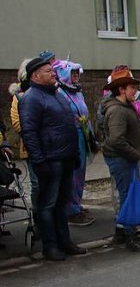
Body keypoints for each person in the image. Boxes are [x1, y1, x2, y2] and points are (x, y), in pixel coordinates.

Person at [18, 54, 87, 261]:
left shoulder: (57, 94)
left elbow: (68, 125)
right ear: (36, 76)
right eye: (48, 71)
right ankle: (50, 246)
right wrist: (39, 161)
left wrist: (74, 154)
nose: (53, 73)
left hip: (65, 156)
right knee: (48, 204)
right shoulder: (31, 98)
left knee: (62, 203)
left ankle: (64, 241)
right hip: (50, 159)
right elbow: (29, 132)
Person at [101, 66, 140, 252]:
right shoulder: (117, 110)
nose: (135, 91)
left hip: (125, 159)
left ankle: (122, 232)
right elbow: (116, 140)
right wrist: (135, 154)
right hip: (122, 159)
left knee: (127, 194)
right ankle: (131, 236)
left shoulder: (124, 106)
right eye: (132, 87)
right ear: (121, 89)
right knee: (128, 197)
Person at [54, 60, 95, 226]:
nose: (76, 76)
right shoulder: (60, 93)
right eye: (73, 73)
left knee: (80, 173)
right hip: (71, 136)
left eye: (77, 73)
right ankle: (70, 209)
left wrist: (91, 136)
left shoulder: (77, 92)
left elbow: (85, 113)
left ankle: (76, 204)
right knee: (72, 173)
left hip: (82, 134)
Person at [9, 59, 38, 208]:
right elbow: (16, 122)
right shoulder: (19, 96)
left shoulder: (46, 92)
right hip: (31, 146)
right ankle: (39, 216)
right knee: (37, 183)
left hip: (49, 146)